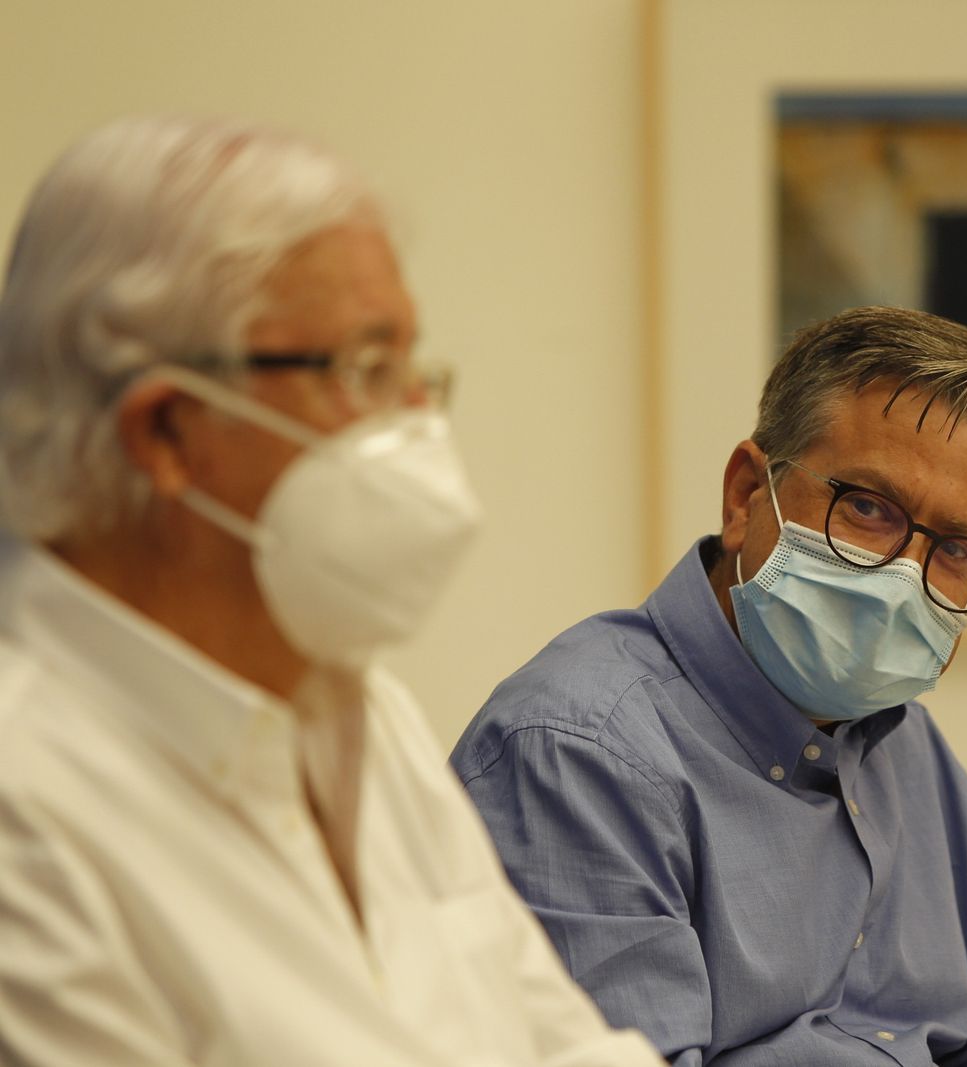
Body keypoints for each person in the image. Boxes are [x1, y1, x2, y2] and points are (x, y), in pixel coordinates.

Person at [0, 116, 660, 1066]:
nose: (420, 422)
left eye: (412, 366)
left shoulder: (359, 709)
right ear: (171, 432)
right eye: (363, 367)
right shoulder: (31, 819)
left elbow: (561, 1045)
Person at [452, 306, 967, 1066]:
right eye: (867, 508)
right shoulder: (578, 753)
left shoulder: (910, 751)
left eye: (959, 549)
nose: (904, 576)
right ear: (745, 495)